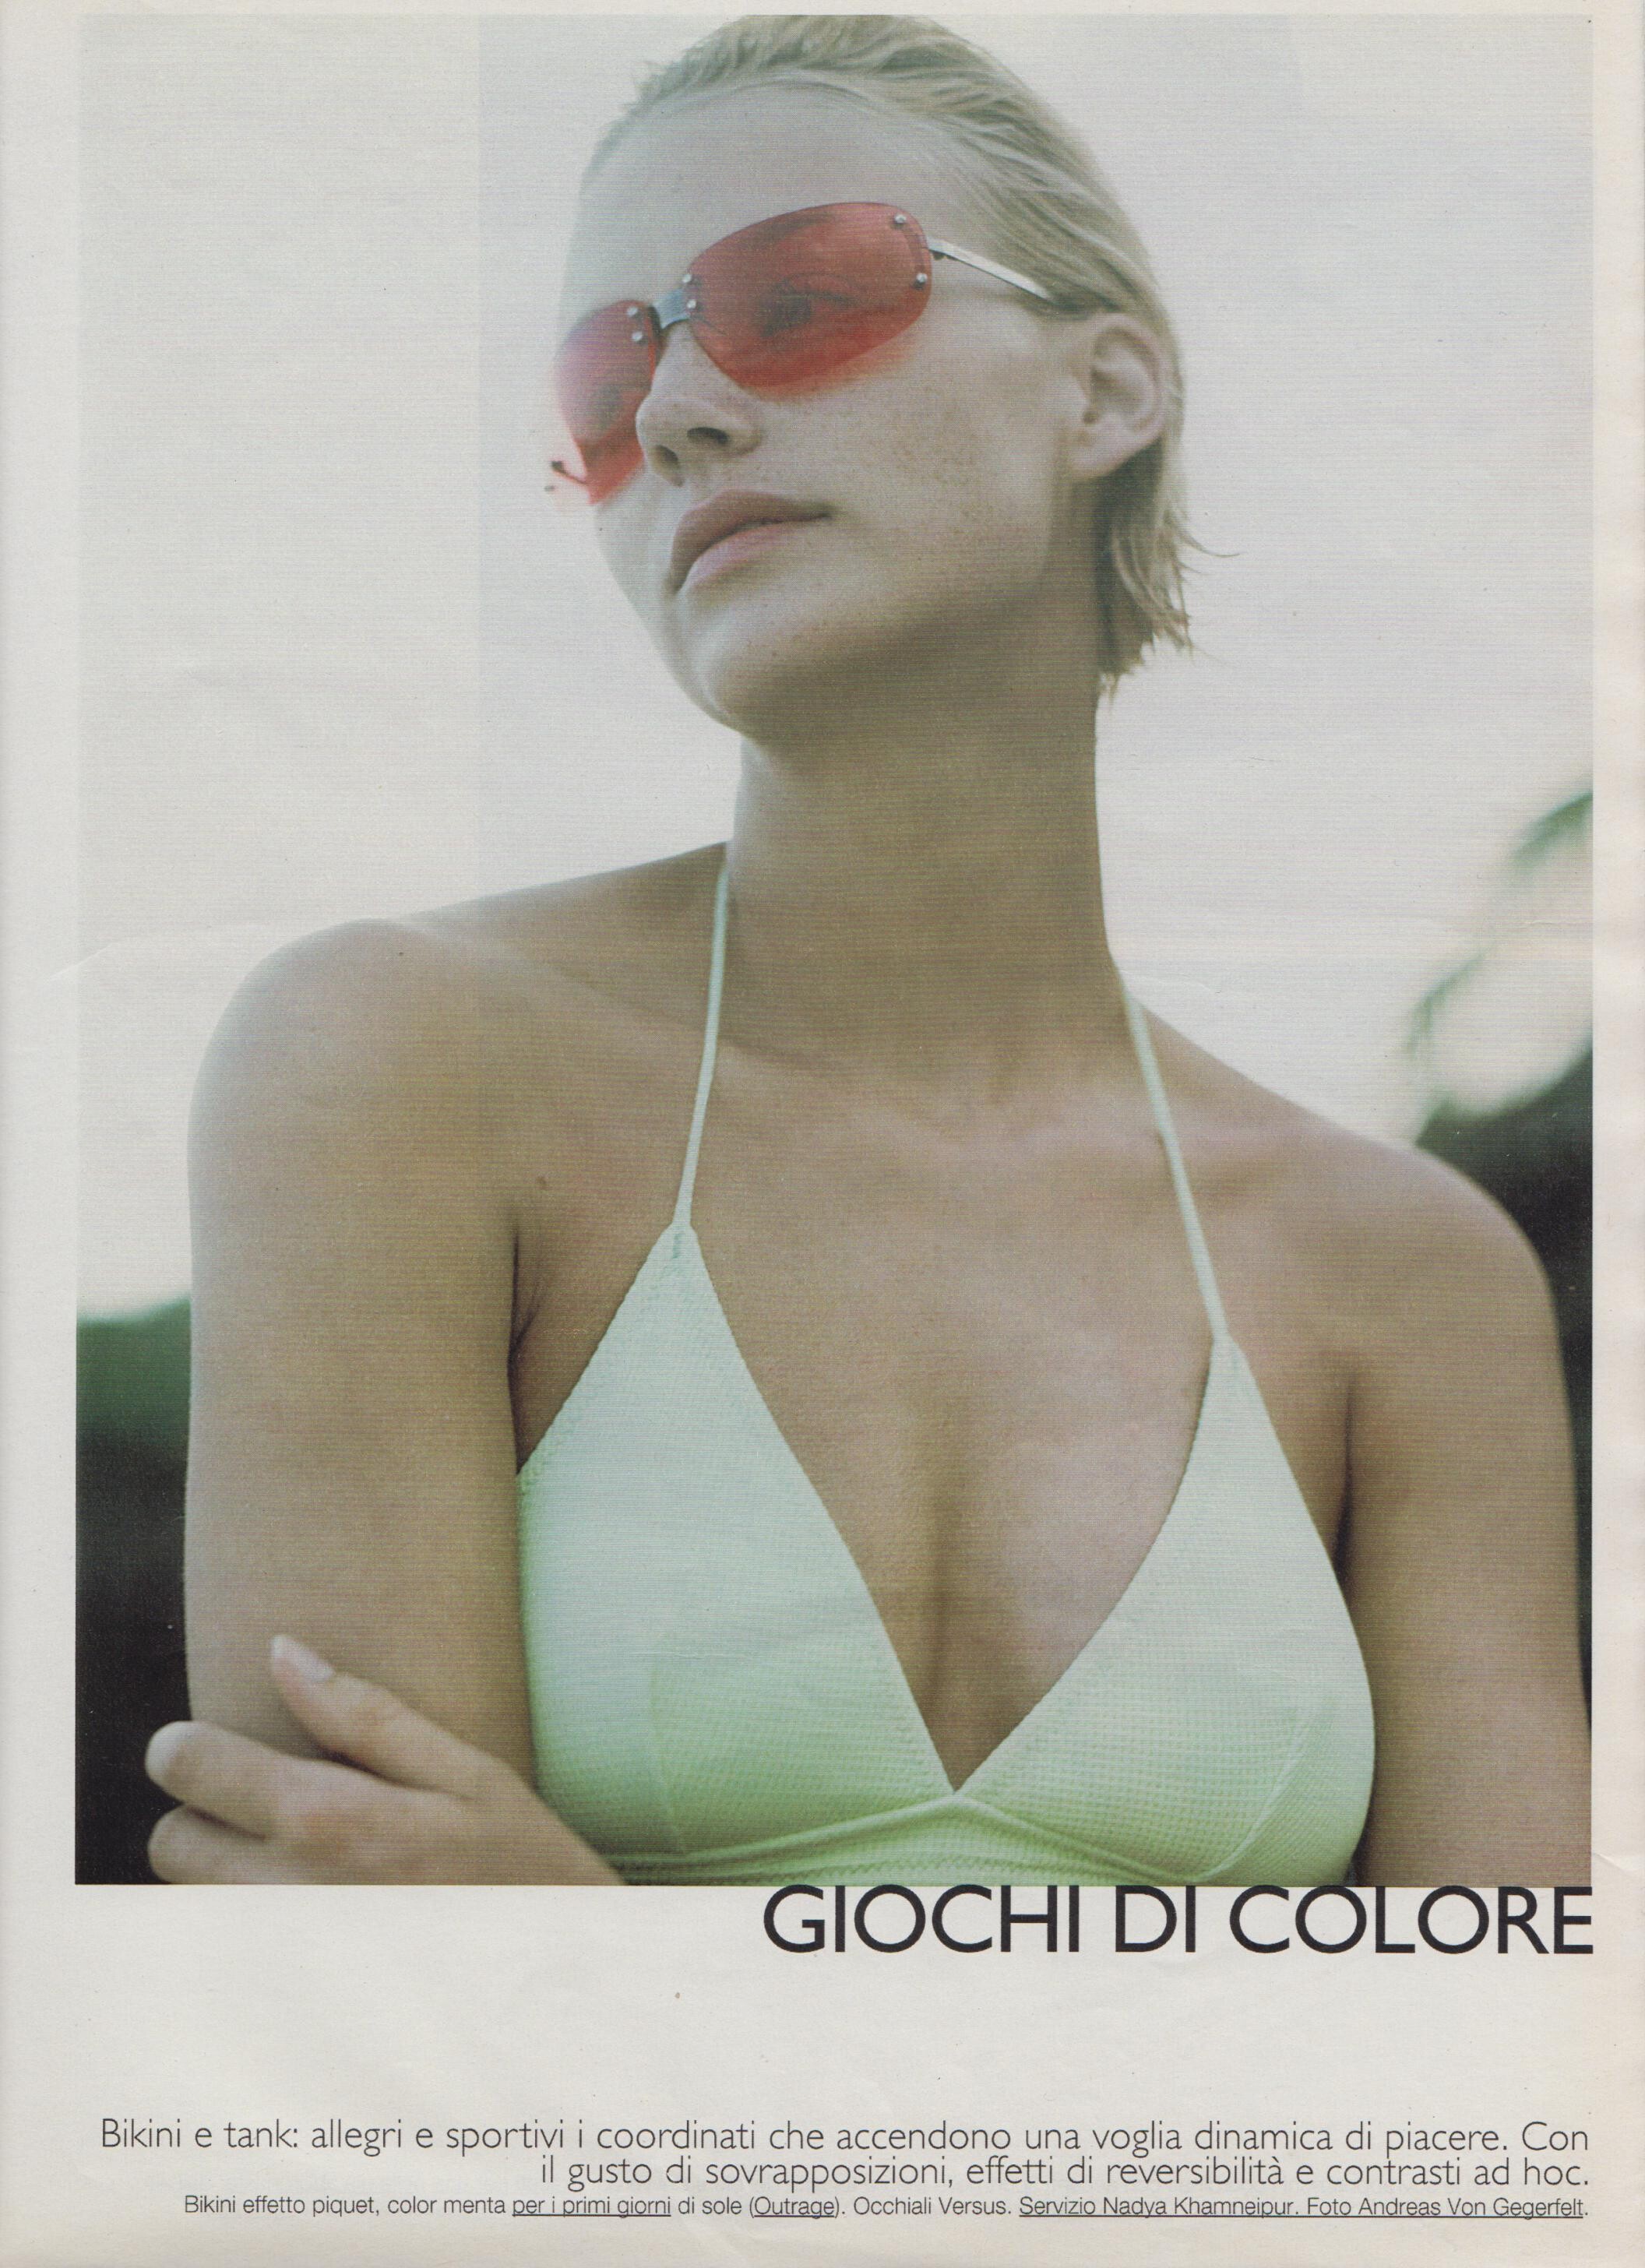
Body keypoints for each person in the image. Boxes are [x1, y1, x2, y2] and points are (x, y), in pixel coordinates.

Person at [144, 14, 1589, 1888]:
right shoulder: (396, 1062)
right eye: (604, 386)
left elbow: (1502, 2055)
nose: (677, 413)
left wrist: (565, 1931)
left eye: (801, 299)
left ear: (1106, 391)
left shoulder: (1408, 1273)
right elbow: (342, 1985)